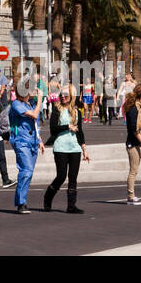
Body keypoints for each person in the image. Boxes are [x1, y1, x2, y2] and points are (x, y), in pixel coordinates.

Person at [43, 85, 88, 213]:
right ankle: (48, 197)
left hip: (75, 148)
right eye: (61, 94)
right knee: (61, 176)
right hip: (60, 147)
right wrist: (67, 126)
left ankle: (71, 205)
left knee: (73, 177)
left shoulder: (77, 112)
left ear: (72, 96)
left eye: (66, 95)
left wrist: (84, 148)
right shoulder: (57, 110)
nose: (62, 96)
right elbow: (53, 129)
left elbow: (80, 132)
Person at [8, 83, 43, 214]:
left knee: (29, 173)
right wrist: (40, 99)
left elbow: (35, 123)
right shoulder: (16, 104)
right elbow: (34, 115)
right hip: (21, 141)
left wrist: (40, 140)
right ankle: (21, 203)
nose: (34, 91)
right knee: (26, 170)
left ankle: (23, 200)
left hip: (33, 141)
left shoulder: (31, 104)